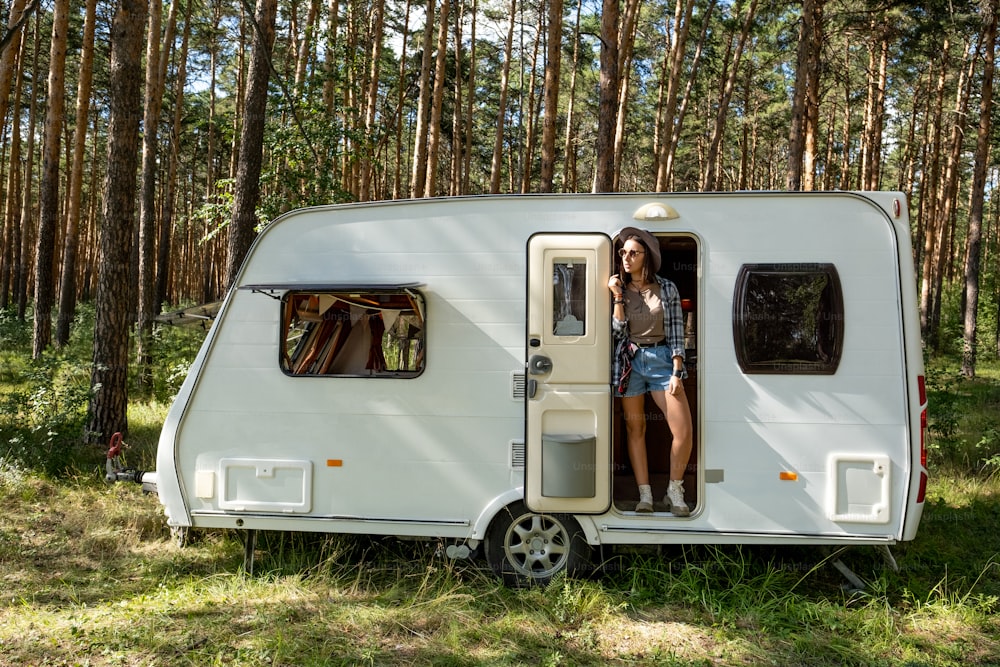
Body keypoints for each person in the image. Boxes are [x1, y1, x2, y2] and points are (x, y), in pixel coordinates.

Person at [608, 227, 693, 516]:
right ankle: (645, 495)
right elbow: (617, 333)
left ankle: (674, 491)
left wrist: (677, 370)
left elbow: (677, 331)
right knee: (636, 429)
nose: (626, 257)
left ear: (647, 257)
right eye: (623, 252)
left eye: (633, 252)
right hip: (629, 361)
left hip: (661, 360)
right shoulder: (618, 289)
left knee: (682, 431)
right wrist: (618, 297)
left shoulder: (666, 288)